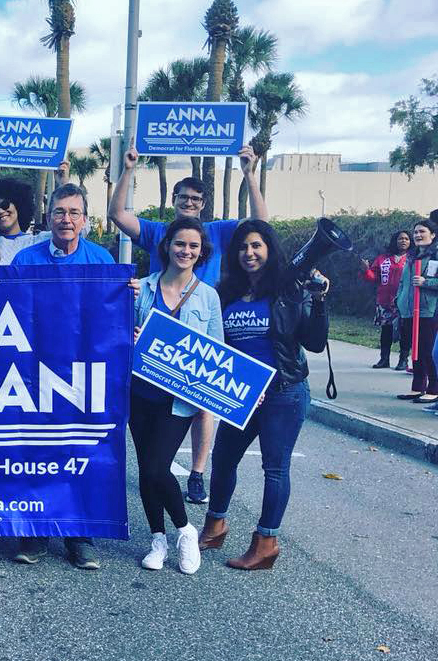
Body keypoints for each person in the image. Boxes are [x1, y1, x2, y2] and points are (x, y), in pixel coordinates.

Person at [109, 144, 267, 506]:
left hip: (199, 319)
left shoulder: (219, 232)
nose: (189, 203)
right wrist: (129, 168)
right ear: (175, 199)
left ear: (203, 203)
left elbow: (260, 225)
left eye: (196, 198)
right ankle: (156, 474)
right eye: (183, 197)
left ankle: (196, 473)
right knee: (152, 421)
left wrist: (249, 175)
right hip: (154, 328)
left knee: (202, 402)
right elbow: (118, 214)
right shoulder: (158, 232)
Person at [199, 220, 329, 569]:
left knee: (274, 467)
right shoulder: (224, 293)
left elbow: (314, 343)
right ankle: (214, 527)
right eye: (243, 247)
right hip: (240, 395)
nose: (249, 253)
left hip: (283, 392)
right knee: (223, 459)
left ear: (269, 250)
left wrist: (318, 301)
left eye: (256, 245)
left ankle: (266, 542)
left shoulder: (287, 291)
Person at [9, 184, 124, 571]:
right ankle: (35, 531)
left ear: (86, 220)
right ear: (48, 218)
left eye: (74, 213)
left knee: (81, 451)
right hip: (34, 374)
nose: (66, 219)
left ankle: (80, 535)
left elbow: (113, 319)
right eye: (60, 212)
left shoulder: (102, 260)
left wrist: (128, 299)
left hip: (84, 375)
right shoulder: (25, 260)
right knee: (35, 450)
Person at [129, 217, 221, 575]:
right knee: (145, 471)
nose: (186, 251)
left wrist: (209, 398)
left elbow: (216, 352)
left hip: (178, 400)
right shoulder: (142, 289)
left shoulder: (208, 296)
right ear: (166, 246)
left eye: (193, 246)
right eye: (180, 244)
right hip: (139, 393)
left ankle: (185, 531)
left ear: (201, 253)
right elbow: (119, 335)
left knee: (156, 467)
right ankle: (158, 539)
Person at [395, 217, 438, 404]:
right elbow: (404, 282)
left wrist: (426, 282)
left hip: (428, 310)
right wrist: (398, 299)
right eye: (416, 232)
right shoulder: (411, 256)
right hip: (409, 310)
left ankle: (434, 388)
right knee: (416, 350)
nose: (418, 235)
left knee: (428, 350)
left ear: (433, 235)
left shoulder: (435, 256)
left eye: (422, 232)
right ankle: (417, 387)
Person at [361, 230, 411, 370]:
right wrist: (366, 270)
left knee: (405, 331)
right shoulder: (383, 259)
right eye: (400, 238)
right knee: (386, 331)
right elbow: (373, 278)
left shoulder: (412, 258)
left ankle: (403, 360)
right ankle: (384, 359)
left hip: (404, 301)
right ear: (395, 241)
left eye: (407, 239)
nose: (403, 241)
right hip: (384, 300)